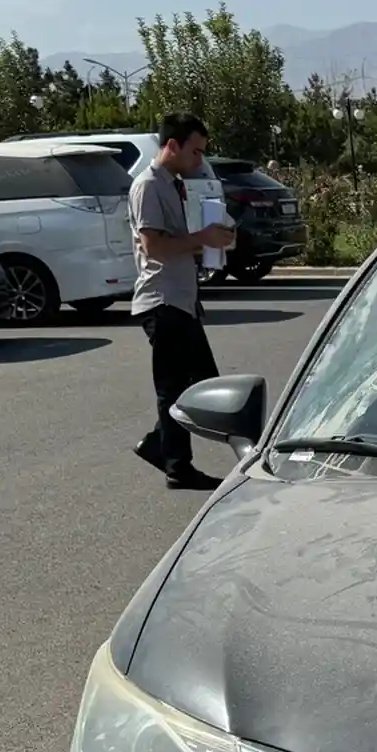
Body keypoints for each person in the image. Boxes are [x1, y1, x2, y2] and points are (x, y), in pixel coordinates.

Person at [129, 112, 236, 490]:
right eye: (195, 151)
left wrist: (215, 238)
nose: (199, 160)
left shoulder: (176, 183)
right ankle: (177, 465)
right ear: (171, 145)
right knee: (175, 388)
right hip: (161, 299)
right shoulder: (148, 186)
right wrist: (201, 239)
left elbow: (184, 236)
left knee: (201, 382)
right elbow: (153, 247)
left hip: (182, 299)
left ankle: (162, 445)